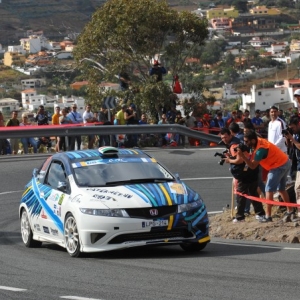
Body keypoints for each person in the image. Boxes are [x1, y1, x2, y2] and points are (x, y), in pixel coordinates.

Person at [238, 130, 294, 222]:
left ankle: (268, 216)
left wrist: (243, 157)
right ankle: (290, 211)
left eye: (246, 141)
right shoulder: (258, 141)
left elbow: (252, 166)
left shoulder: (261, 150)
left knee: (268, 190)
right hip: (285, 162)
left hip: (278, 166)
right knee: (281, 189)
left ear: (252, 140)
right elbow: (252, 152)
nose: (245, 143)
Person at [220, 128, 266, 223]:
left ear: (230, 135)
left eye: (225, 137)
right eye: (222, 137)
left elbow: (239, 160)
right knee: (253, 193)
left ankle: (240, 217)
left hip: (244, 173)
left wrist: (228, 160)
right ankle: (260, 214)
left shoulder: (234, 145)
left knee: (241, 195)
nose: (224, 139)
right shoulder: (236, 142)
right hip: (250, 171)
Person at [285, 117, 300, 220]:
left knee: (298, 188)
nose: (292, 129)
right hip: (298, 164)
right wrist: (288, 138)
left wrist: (292, 138)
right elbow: (291, 147)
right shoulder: (295, 134)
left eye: (293, 127)